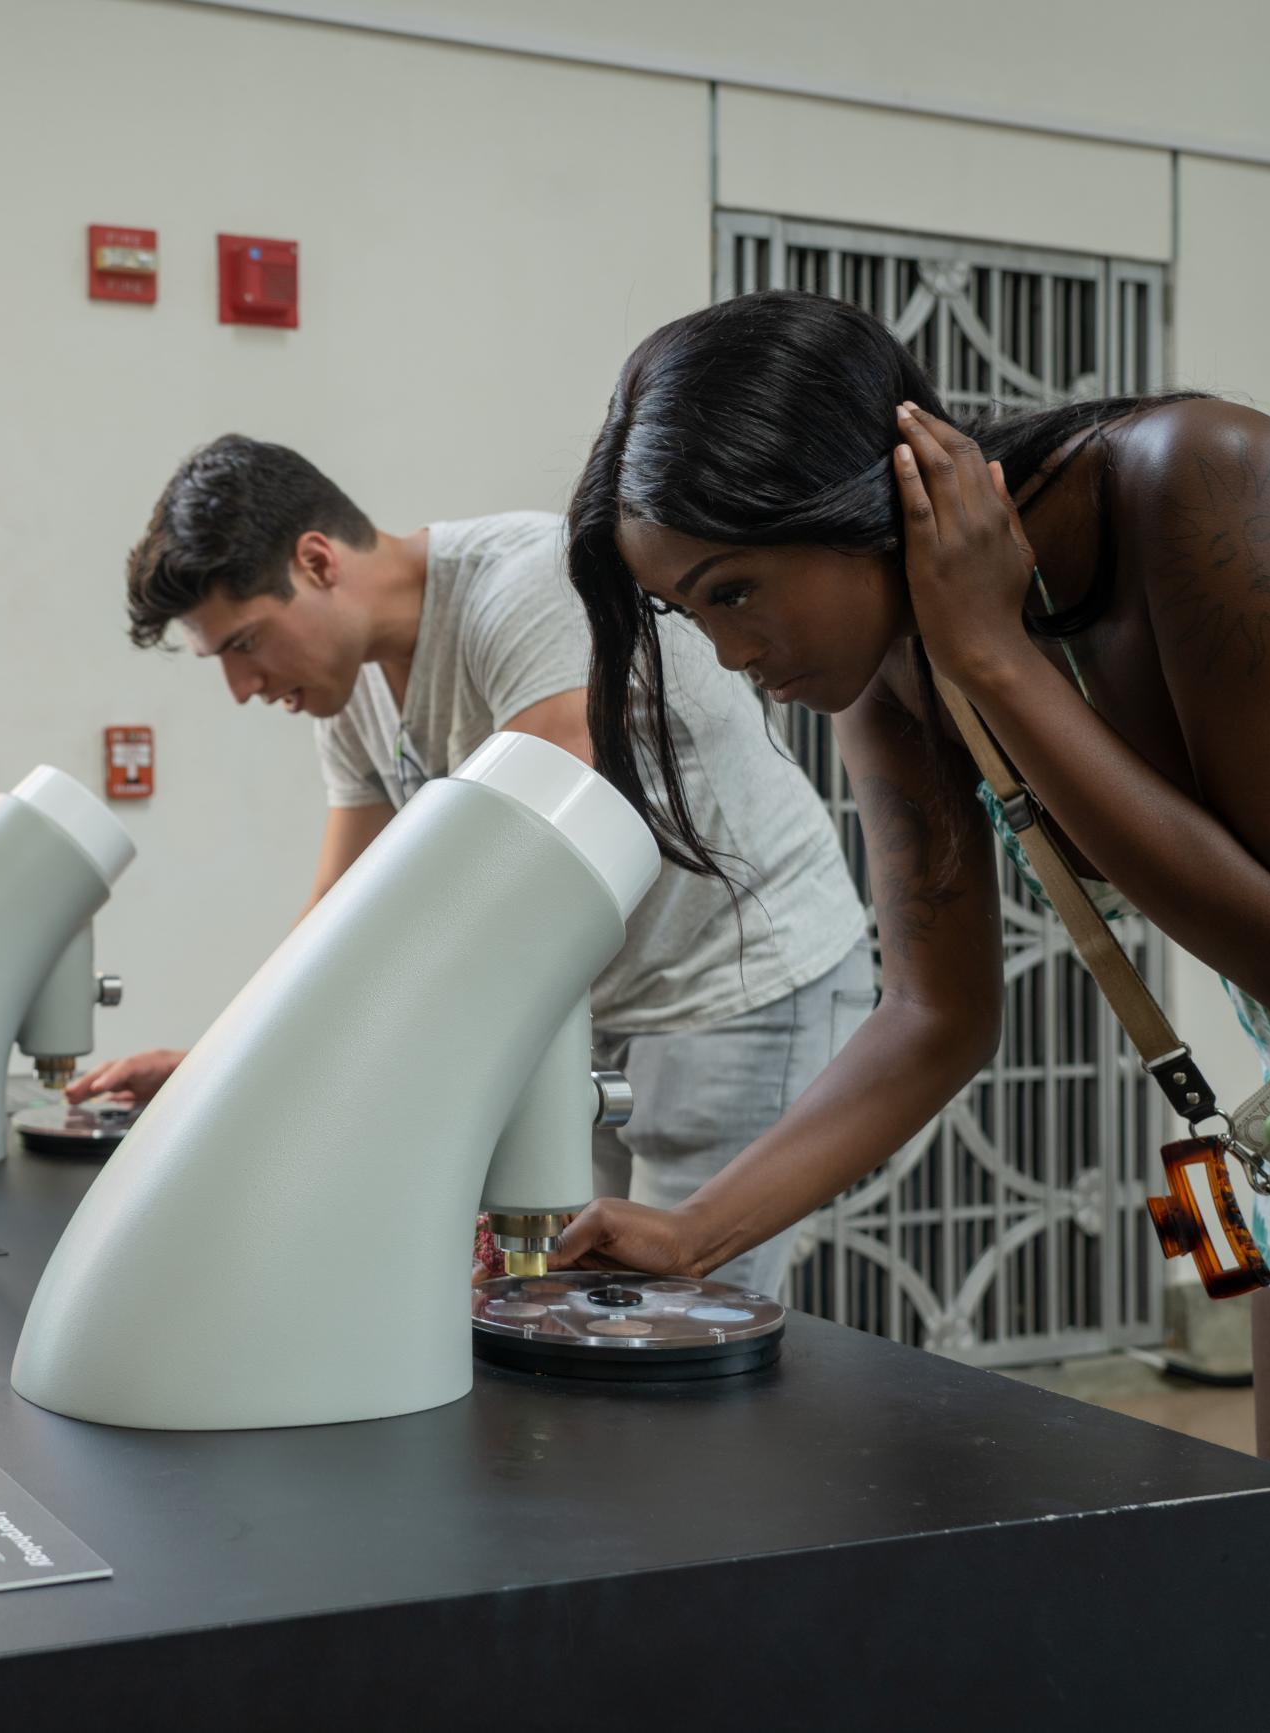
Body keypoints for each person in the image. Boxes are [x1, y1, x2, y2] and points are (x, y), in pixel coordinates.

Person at [556, 289, 1270, 1726]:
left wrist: (996, 657)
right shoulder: (896, 683)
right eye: (683, 611)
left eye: (734, 589)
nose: (730, 653)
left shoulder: (1200, 480)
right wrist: (693, 1231)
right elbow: (934, 1017)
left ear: (864, 497)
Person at [69, 434, 870, 1293]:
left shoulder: (526, 590)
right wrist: (216, 1064)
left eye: (244, 643)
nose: (242, 687)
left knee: (670, 1324)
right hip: (604, 1010)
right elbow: (338, 920)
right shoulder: (351, 699)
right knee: (571, 1300)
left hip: (741, 982)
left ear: (316, 560)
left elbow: (529, 875)